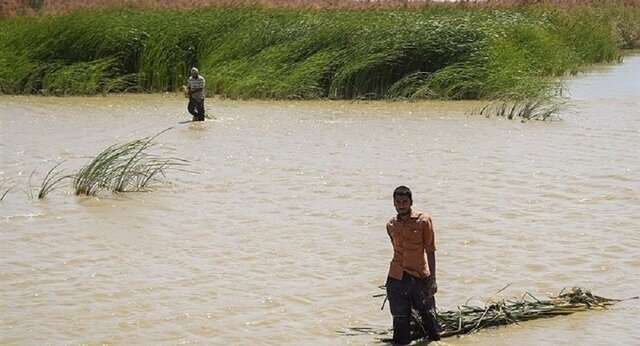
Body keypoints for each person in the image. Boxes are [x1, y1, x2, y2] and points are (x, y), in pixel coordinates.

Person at [385, 185, 441, 344]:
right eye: (398, 202)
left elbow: (430, 250)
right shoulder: (391, 225)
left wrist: (433, 279)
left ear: (411, 202)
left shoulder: (423, 221)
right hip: (396, 278)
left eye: (404, 201)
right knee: (400, 321)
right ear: (394, 203)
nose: (401, 205)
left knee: (430, 322)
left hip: (419, 276)